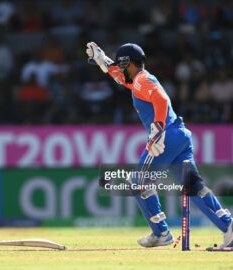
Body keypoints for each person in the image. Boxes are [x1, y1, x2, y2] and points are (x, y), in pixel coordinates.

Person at [86, 42, 233, 248]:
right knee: (193, 187)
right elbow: (121, 78)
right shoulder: (138, 80)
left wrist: (158, 128)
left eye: (121, 66)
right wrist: (104, 62)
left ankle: (161, 232)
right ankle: (229, 227)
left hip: (166, 137)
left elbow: (161, 99)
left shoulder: (142, 80)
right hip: (180, 136)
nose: (119, 70)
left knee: (138, 182)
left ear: (129, 64)